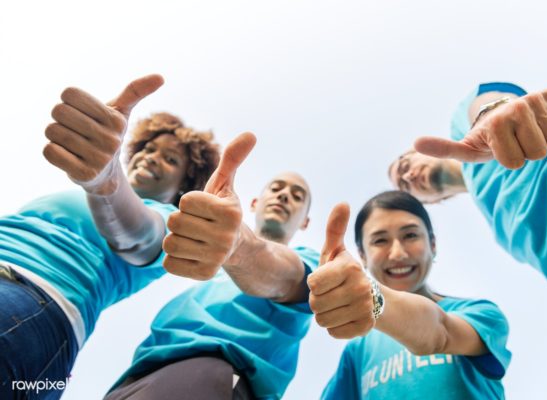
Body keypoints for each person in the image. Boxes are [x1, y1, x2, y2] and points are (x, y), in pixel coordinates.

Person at [0, 74, 220, 399]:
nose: (152, 157)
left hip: (33, 297)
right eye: (148, 149)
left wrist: (106, 180)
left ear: (183, 186)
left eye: (170, 159)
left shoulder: (168, 222)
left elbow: (138, 237)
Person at [104, 162, 319, 400]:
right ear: (255, 203)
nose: (284, 195)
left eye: (297, 196)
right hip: (138, 373)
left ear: (305, 222)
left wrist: (240, 249)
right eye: (276, 188)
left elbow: (287, 279)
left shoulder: (309, 263)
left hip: (212, 374)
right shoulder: (214, 262)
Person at [388, 82, 547, 305]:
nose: (408, 176)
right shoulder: (497, 227)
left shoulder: (465, 128)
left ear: (419, 153)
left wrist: (495, 112)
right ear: (433, 201)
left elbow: (491, 104)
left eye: (404, 167)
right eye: (404, 185)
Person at [308, 191, 510, 399]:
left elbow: (440, 332)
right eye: (380, 241)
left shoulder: (482, 315)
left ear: (433, 244)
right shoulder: (358, 350)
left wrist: (374, 299)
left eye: (410, 235)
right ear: (362, 256)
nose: (398, 254)